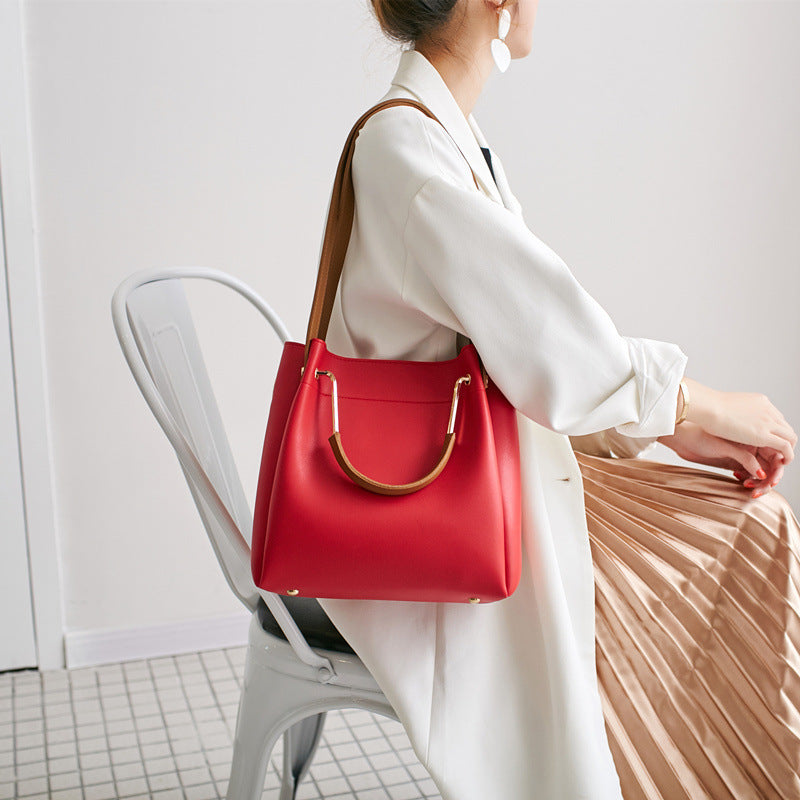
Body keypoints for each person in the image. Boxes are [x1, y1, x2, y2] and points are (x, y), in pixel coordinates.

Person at [315, 1, 800, 798]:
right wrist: (698, 405)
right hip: (429, 525)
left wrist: (669, 429)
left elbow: (532, 352)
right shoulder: (407, 151)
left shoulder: (440, 141)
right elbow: (554, 352)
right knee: (754, 531)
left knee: (751, 529)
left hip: (483, 483)